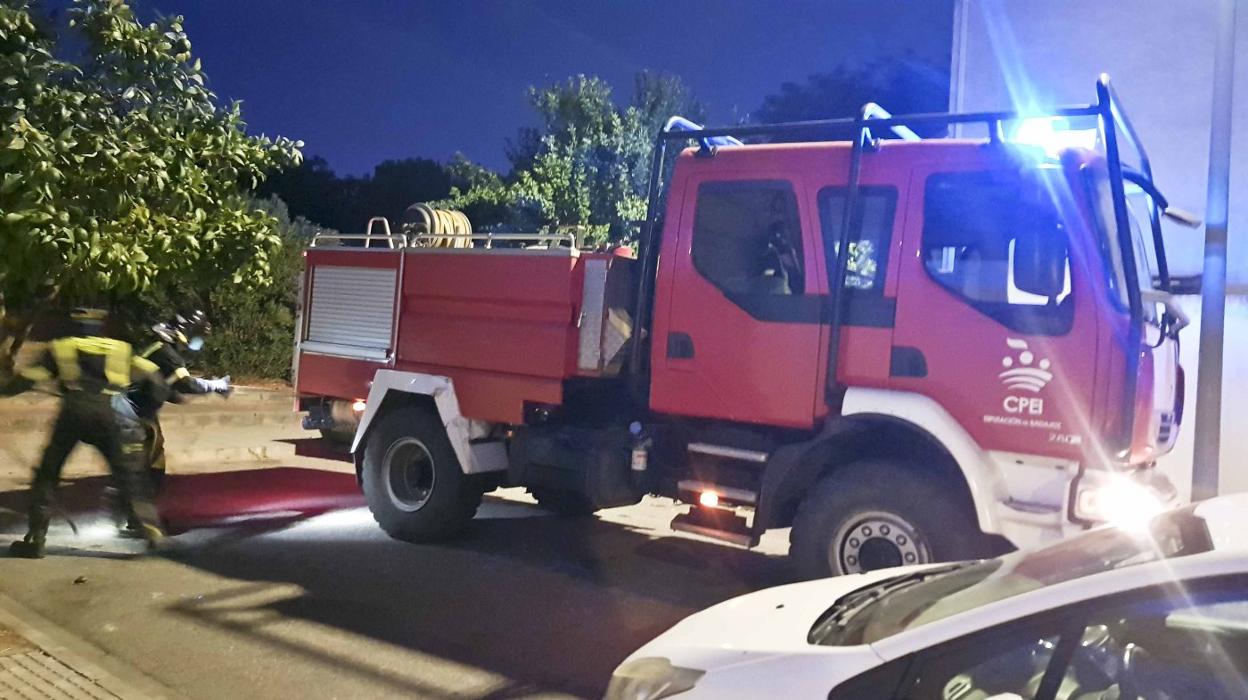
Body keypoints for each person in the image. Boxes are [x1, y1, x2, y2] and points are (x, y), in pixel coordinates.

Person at [1, 308, 168, 558]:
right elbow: (156, 383)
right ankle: (150, 530)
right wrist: (144, 411)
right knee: (129, 474)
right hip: (111, 414)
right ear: (99, 326)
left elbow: (26, 379)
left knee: (49, 471)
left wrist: (5, 388)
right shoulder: (121, 350)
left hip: (74, 411)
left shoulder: (61, 348)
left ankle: (35, 538)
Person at [130, 310, 231, 491]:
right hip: (135, 410)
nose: (197, 343)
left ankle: (148, 490)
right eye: (197, 338)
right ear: (188, 332)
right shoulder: (167, 353)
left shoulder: (159, 347)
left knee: (153, 450)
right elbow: (187, 383)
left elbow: (159, 380)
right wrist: (216, 385)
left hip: (137, 407)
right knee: (145, 452)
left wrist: (173, 395)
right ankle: (140, 495)